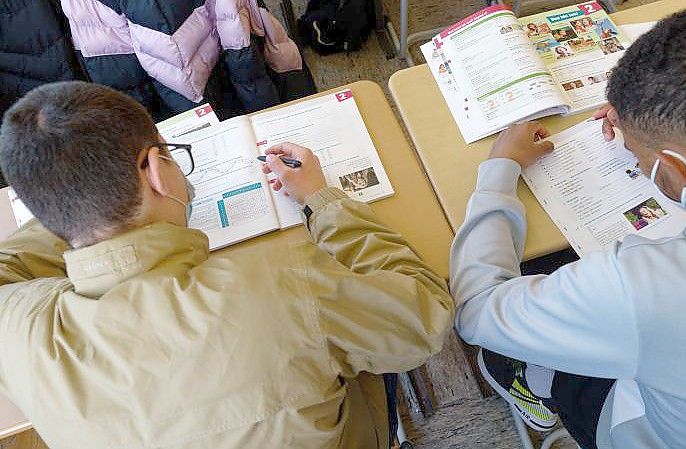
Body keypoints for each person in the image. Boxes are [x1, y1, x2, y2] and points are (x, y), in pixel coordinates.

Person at [0, 82, 454, 449]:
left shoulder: (15, 330)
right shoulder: (281, 285)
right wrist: (325, 202)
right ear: (157, 172)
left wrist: (74, 200)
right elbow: (425, 314)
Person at [450, 6, 686, 449]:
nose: (636, 161)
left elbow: (477, 309)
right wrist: (644, 126)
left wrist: (499, 170)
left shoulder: (638, 284)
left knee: (537, 284)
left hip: (638, 430)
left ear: (677, 167)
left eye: (638, 157)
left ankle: (532, 388)